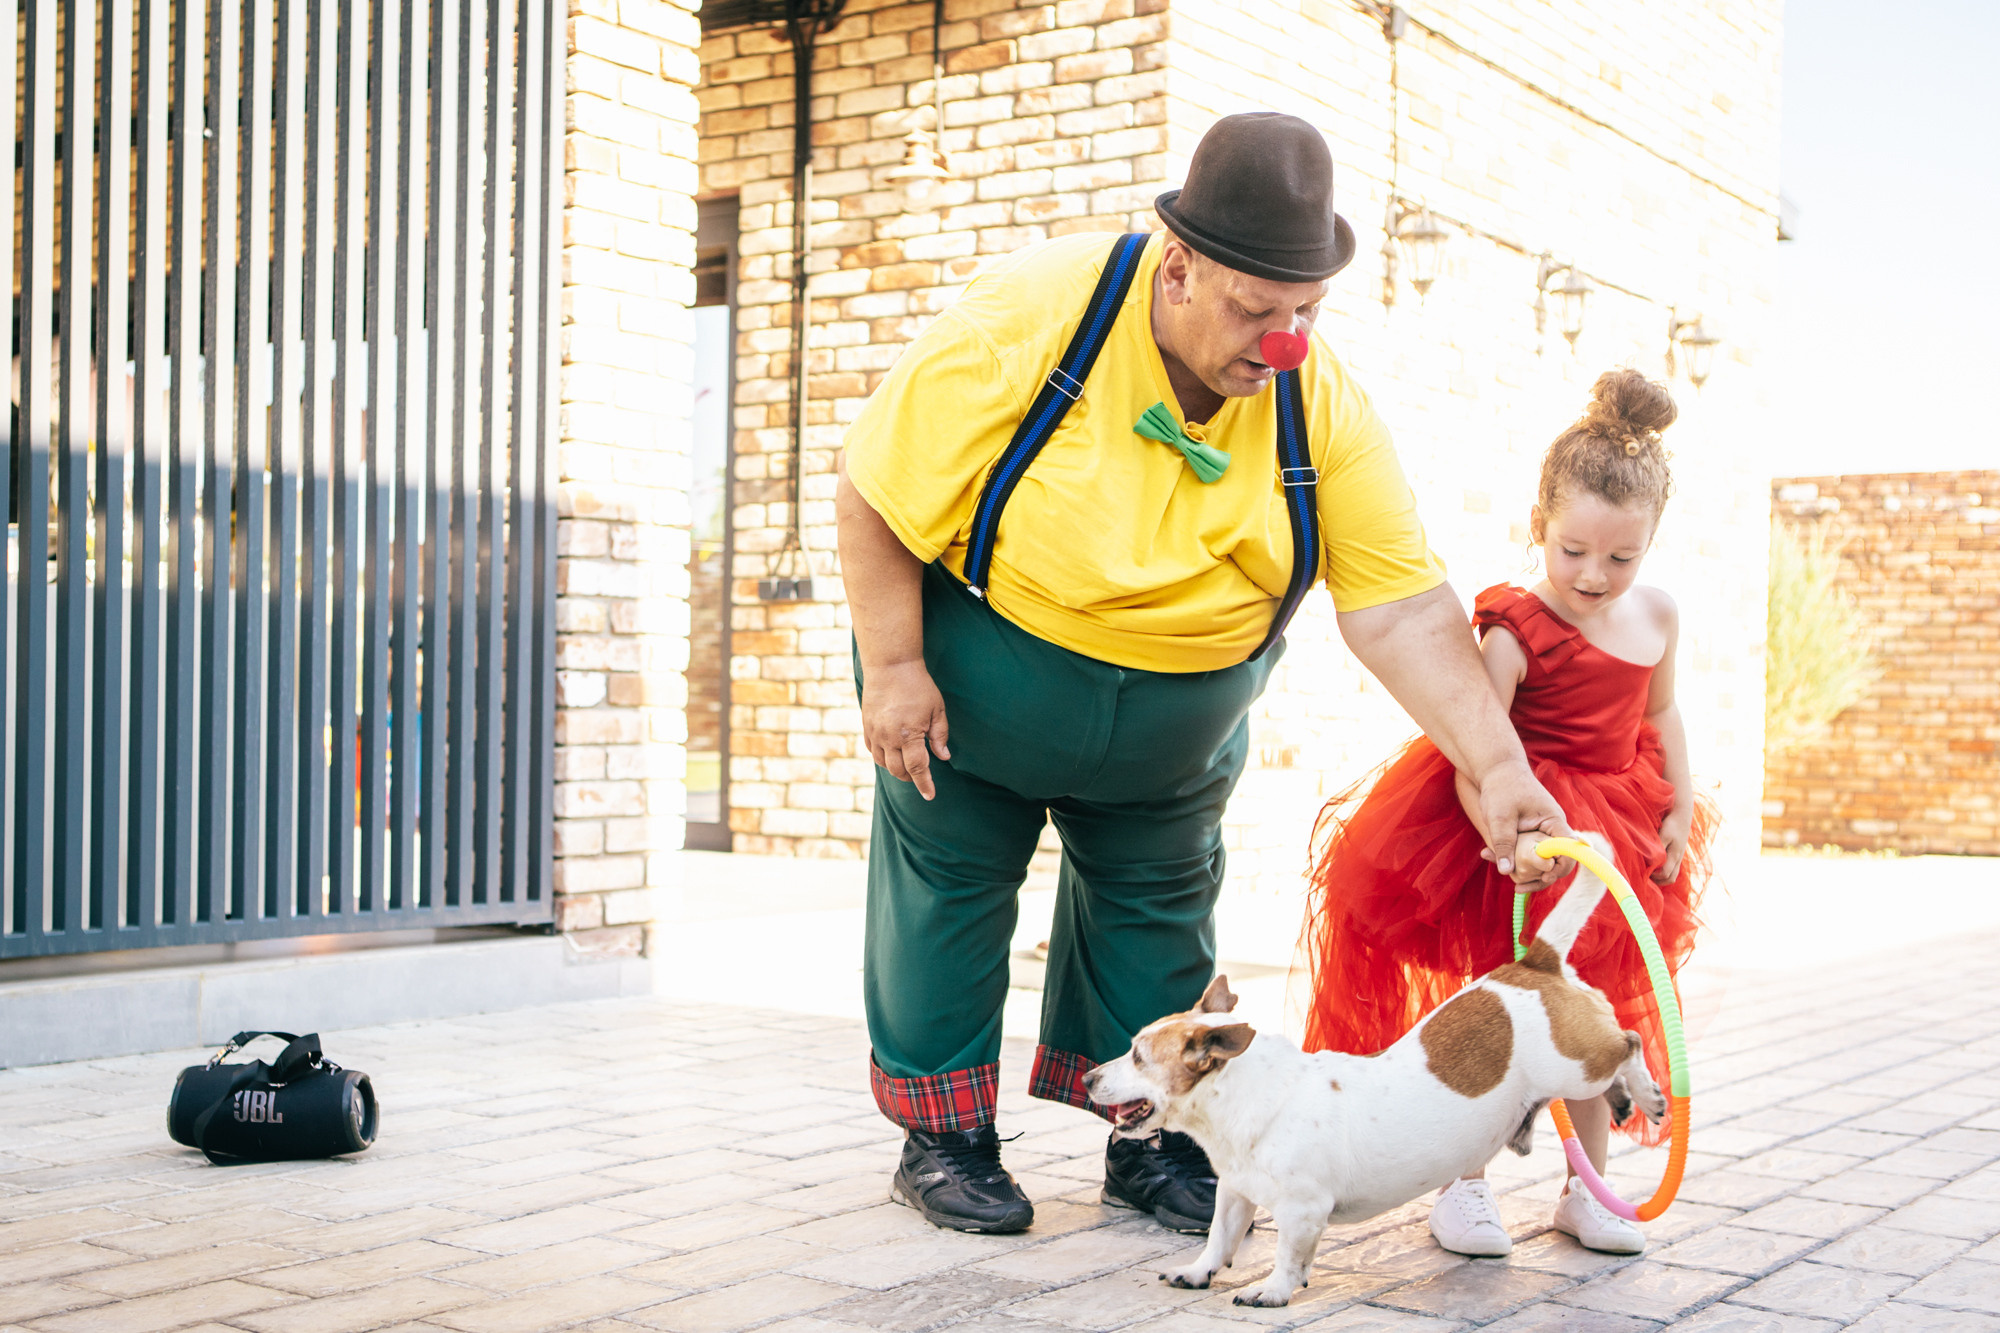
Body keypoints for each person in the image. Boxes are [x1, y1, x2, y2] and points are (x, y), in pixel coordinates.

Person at [834, 112, 1571, 1237]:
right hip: (977, 698)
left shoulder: (1319, 404)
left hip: (1170, 742)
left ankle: (1152, 1148)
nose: (1285, 343)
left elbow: (1403, 609)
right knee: (948, 898)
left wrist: (1498, 764)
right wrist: (893, 664)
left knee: (1157, 918)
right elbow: (874, 482)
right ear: (1176, 268)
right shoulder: (1035, 311)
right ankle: (944, 1139)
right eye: (1256, 309)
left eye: (1306, 313)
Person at [1300, 368, 1716, 1256]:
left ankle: (1587, 1188)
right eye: (1573, 550)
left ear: (1650, 543)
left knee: (1586, 1010)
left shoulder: (1657, 618)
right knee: (1490, 1016)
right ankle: (1463, 1185)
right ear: (1538, 525)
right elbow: (1471, 742)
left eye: (1621, 558)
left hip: (1610, 828)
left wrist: (1679, 803)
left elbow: (1662, 713)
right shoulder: (1515, 627)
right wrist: (1503, 834)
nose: (1594, 575)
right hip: (1516, 834)